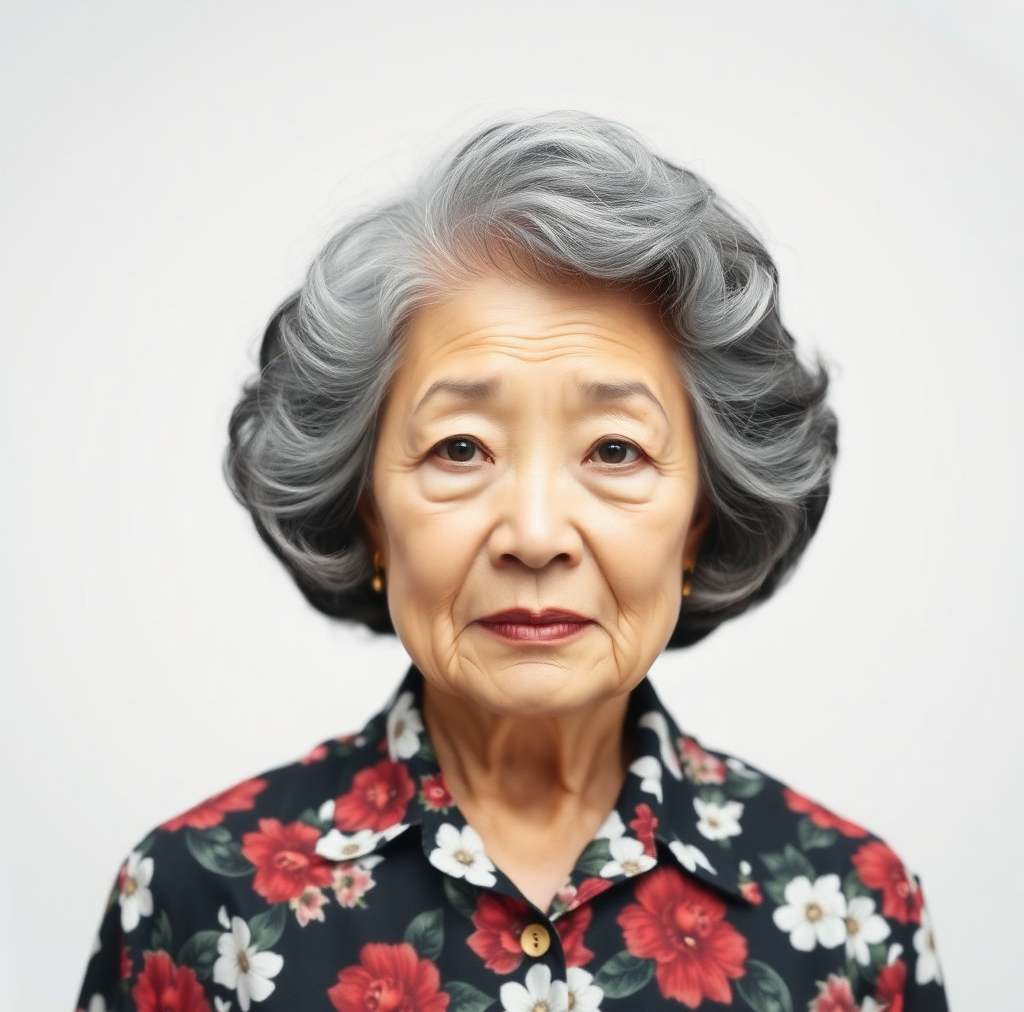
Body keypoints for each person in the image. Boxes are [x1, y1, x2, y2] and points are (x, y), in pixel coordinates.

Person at [76, 112, 949, 1012]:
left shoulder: (854, 918)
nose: (535, 536)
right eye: (460, 448)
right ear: (369, 510)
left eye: (615, 451)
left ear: (701, 520)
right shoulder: (193, 904)